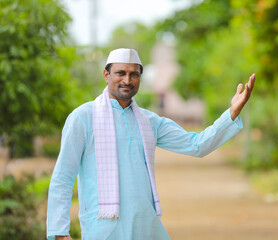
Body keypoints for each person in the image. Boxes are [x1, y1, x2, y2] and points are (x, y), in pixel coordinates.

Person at [47, 48, 255, 240]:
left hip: (146, 227)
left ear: (140, 78)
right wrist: (59, 230)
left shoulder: (149, 121)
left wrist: (232, 113)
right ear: (106, 75)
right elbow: (63, 176)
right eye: (120, 73)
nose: (127, 80)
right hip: (103, 228)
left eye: (134, 74)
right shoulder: (83, 118)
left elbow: (197, 145)